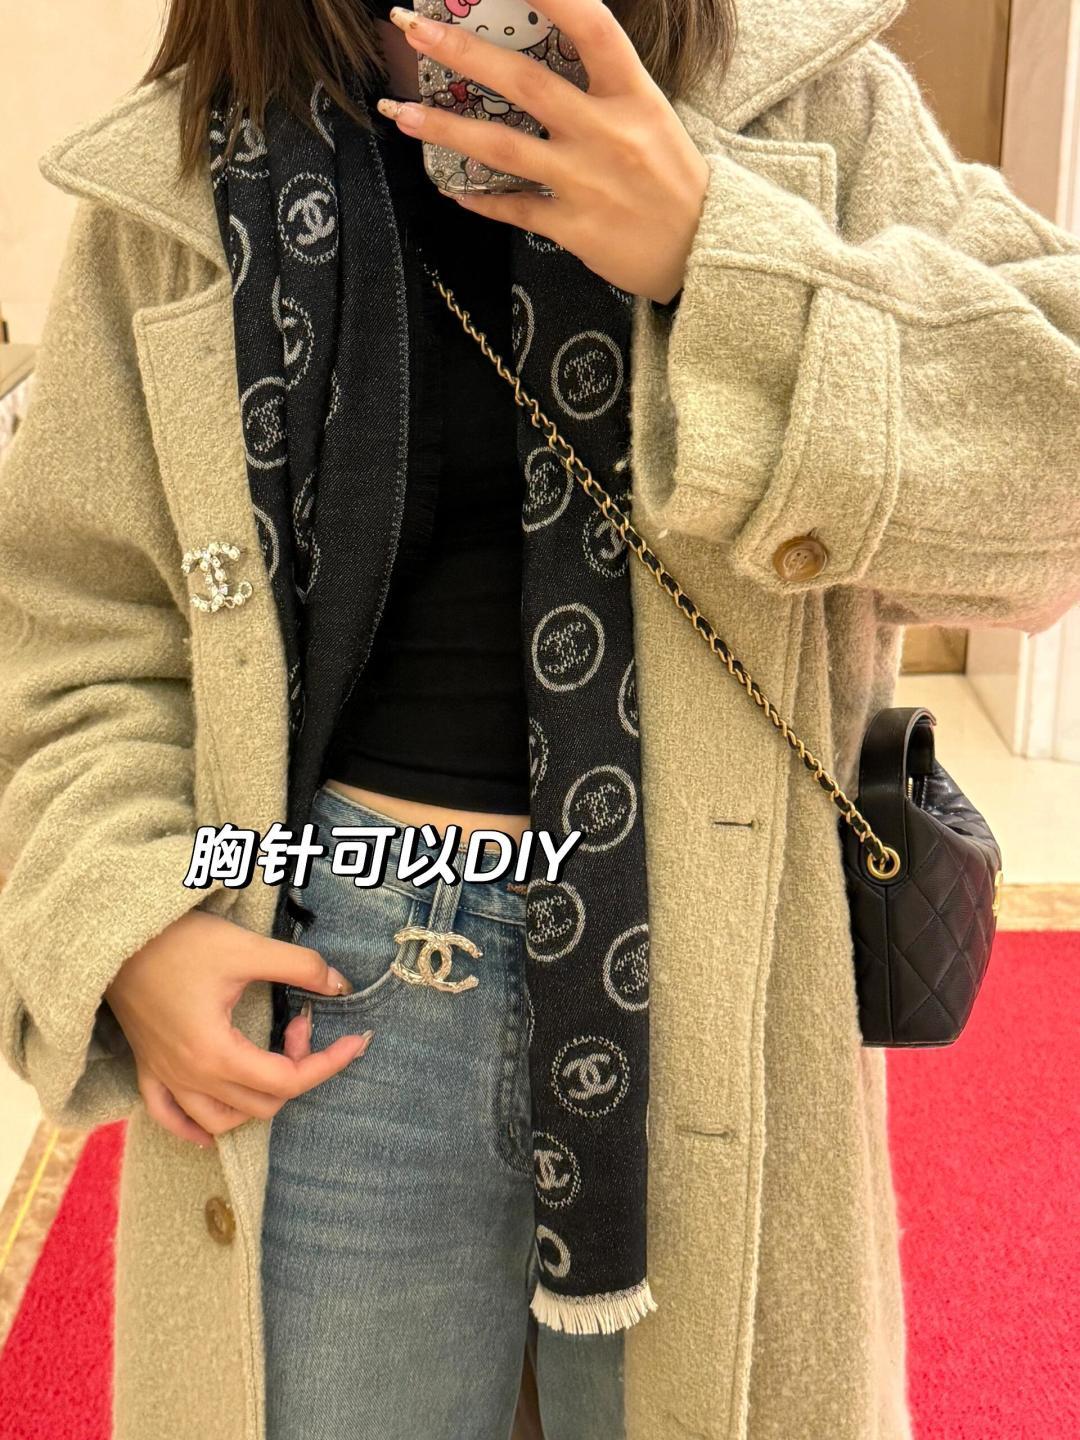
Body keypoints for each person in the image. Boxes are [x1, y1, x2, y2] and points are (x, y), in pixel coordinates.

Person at [1, 1, 1078, 1438]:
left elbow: (1052, 487)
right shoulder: (196, 160)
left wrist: (716, 254)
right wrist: (133, 918)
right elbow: (74, 619)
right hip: (325, 962)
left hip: (710, 967)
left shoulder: (803, 99)